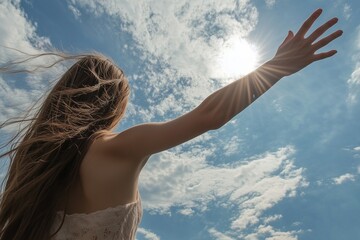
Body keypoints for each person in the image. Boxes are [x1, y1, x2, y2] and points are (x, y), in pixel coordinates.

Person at [0, 8, 342, 240]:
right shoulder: (115, 148)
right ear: (112, 105)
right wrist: (276, 67)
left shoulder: (31, 174)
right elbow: (210, 115)